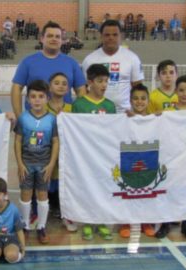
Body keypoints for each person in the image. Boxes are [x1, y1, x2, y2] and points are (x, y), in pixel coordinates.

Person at [155, 75, 186, 240]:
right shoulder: (168, 113)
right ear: (176, 91)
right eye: (182, 90)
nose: (185, 94)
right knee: (168, 189)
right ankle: (165, 223)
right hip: (171, 159)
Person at [71, 64, 116, 240]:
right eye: (99, 81)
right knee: (88, 188)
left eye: (106, 81)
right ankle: (88, 222)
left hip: (105, 156)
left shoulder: (110, 106)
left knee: (104, 187)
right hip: (86, 156)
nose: (104, 85)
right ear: (90, 82)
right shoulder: (79, 105)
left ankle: (103, 221)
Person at [14, 80, 58, 244]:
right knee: (25, 195)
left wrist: (51, 163)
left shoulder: (52, 119)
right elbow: (18, 141)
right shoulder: (23, 118)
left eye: (41, 96)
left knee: (42, 195)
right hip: (26, 164)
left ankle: (41, 226)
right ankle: (25, 226)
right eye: (33, 96)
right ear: (28, 99)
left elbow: (55, 142)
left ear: (47, 98)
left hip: (44, 165)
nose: (37, 100)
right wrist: (20, 163)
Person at [11, 21, 86, 117]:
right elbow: (16, 89)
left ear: (62, 40)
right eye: (50, 36)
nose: (54, 39)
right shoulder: (27, 62)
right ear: (42, 39)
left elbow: (81, 90)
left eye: (57, 36)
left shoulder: (72, 63)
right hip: (35, 119)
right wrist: (19, 117)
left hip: (65, 119)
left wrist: (78, 116)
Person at [82, 20, 144, 113]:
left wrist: (136, 110)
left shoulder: (132, 58)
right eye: (107, 35)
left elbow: (138, 87)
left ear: (121, 36)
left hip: (124, 113)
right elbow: (85, 88)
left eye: (115, 35)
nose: (111, 37)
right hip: (96, 113)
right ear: (101, 36)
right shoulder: (89, 60)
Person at [120, 84, 156, 238]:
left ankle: (145, 222)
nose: (139, 102)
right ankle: (125, 222)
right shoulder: (123, 119)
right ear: (130, 100)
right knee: (127, 189)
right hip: (129, 158)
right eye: (135, 98)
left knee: (147, 190)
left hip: (147, 159)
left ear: (148, 101)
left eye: (143, 98)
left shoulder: (155, 119)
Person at [45, 72, 77, 232]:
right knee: (49, 180)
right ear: (49, 87)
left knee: (65, 180)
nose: (61, 86)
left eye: (64, 83)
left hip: (67, 154)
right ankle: (48, 207)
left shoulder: (72, 109)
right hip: (47, 153)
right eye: (56, 82)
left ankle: (63, 210)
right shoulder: (42, 107)